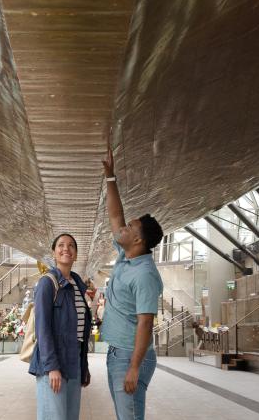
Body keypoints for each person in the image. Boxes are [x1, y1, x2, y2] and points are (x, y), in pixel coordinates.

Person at [101, 142, 164, 420]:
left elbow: (146, 322)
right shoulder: (126, 256)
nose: (123, 227)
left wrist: (134, 367)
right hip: (118, 353)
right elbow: (116, 215)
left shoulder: (145, 275)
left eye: (131, 227)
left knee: (130, 417)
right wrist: (110, 177)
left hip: (130, 356)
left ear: (138, 239)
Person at [28, 234, 91, 420]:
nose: (66, 249)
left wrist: (84, 366)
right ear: (54, 253)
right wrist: (52, 367)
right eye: (61, 245)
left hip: (74, 362)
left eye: (71, 246)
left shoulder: (77, 284)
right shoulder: (47, 282)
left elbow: (81, 331)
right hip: (54, 363)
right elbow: (43, 328)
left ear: (76, 254)